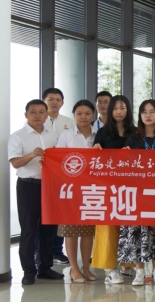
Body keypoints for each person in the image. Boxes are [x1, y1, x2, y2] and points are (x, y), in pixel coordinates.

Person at [119, 99, 155, 286]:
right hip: (137, 192)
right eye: (144, 112)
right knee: (137, 230)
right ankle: (139, 271)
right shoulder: (133, 138)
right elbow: (124, 165)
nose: (148, 115)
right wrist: (123, 154)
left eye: (152, 111)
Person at [9, 99, 64, 285]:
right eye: (33, 112)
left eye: (41, 112)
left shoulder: (53, 136)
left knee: (48, 229)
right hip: (28, 186)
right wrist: (32, 155)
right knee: (28, 230)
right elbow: (15, 163)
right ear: (26, 115)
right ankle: (28, 271)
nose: (37, 115)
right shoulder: (17, 136)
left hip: (50, 186)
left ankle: (45, 268)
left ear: (46, 115)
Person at [92, 95, 136, 285]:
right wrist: (96, 149)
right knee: (108, 226)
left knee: (129, 225)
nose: (119, 111)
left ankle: (128, 264)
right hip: (108, 186)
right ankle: (110, 269)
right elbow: (96, 159)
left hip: (130, 186)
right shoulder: (103, 132)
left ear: (128, 110)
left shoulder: (135, 132)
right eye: (115, 108)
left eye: (122, 108)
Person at [55, 100, 98, 283]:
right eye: (79, 113)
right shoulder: (66, 135)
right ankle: (74, 268)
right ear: (74, 115)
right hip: (71, 188)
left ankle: (86, 267)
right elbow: (58, 160)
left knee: (88, 230)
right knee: (70, 230)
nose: (83, 117)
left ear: (93, 115)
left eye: (87, 113)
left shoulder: (98, 134)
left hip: (92, 188)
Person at [42, 87, 74, 264]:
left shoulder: (68, 121)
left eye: (57, 99)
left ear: (62, 103)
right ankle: (40, 252)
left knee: (60, 213)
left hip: (64, 176)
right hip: (43, 174)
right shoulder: (37, 120)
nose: (54, 102)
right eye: (50, 99)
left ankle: (57, 250)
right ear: (44, 101)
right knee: (43, 214)